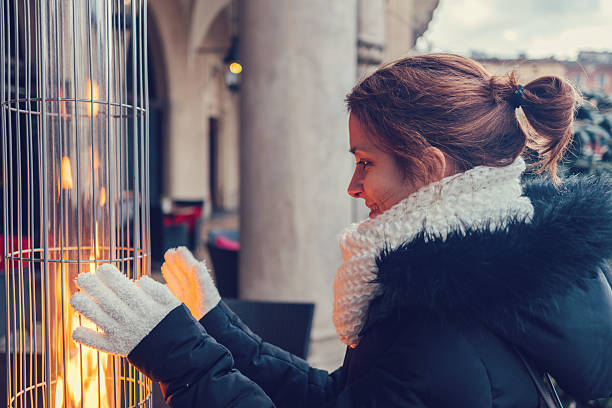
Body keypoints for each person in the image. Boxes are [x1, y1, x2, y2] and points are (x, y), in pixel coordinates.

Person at [70, 54, 612, 408]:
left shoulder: (442, 321)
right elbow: (341, 398)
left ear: (428, 166)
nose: (353, 186)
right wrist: (218, 327)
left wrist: (177, 356)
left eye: (365, 162)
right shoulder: (466, 282)